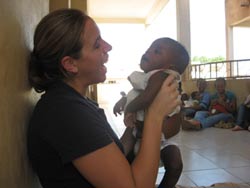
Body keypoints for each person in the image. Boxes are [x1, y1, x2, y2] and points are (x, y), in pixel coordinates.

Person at [27, 8, 181, 188]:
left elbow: (110, 157)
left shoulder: (74, 103)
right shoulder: (65, 113)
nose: (108, 47)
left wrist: (132, 130)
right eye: (97, 44)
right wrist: (154, 117)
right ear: (70, 64)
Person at [122, 37, 189, 188]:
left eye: (157, 51)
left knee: (174, 164)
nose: (148, 52)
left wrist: (129, 108)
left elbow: (146, 98)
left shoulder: (163, 75)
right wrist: (123, 100)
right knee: (174, 166)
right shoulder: (147, 76)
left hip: (164, 136)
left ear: (170, 66)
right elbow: (135, 93)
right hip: (144, 132)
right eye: (149, 49)